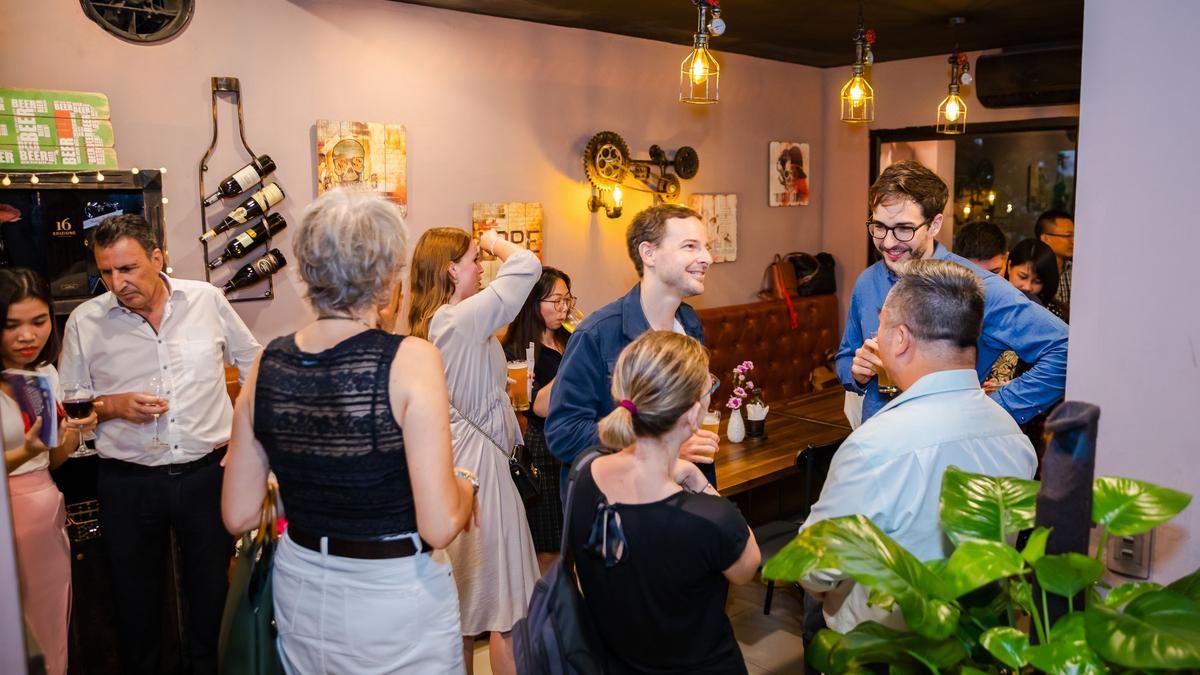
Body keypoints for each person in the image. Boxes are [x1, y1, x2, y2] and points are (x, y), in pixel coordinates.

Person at [222, 190, 477, 672]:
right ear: (386, 279)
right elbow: (440, 524)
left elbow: (239, 514)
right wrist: (467, 486)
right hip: (395, 593)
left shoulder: (267, 363)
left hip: (302, 587)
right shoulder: (412, 359)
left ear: (308, 272)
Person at [58, 214, 261, 674]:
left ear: (156, 257)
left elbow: (254, 362)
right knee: (135, 607)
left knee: (212, 600)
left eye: (127, 268)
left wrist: (245, 438)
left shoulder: (206, 300)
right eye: (107, 272)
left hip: (207, 475)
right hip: (128, 482)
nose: (118, 283)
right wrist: (112, 406)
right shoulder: (86, 321)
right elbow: (72, 406)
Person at [803, 260, 1038, 632]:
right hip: (973, 639)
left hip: (884, 647)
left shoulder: (873, 447)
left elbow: (814, 569)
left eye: (880, 325)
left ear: (900, 339)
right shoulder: (1014, 438)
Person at [567, 330, 760, 674]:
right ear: (692, 415)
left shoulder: (585, 477)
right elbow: (748, 567)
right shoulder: (710, 517)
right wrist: (700, 483)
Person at [836, 160, 1068, 425]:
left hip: (947, 440)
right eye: (879, 227)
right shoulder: (868, 282)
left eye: (904, 229)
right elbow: (845, 356)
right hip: (877, 438)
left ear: (934, 225)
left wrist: (995, 410)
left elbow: (1064, 349)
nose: (888, 242)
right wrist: (856, 374)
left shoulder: (978, 287)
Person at [408, 225, 541, 675]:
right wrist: (492, 240)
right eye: (473, 259)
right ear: (451, 270)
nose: (481, 267)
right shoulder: (457, 320)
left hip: (459, 464)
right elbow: (527, 265)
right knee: (508, 612)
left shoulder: (440, 323)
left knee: (463, 613)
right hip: (482, 472)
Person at [546, 204, 717, 501]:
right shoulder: (597, 334)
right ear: (648, 253)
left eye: (706, 247)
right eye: (690, 246)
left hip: (683, 499)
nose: (707, 258)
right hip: (622, 506)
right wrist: (661, 444)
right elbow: (564, 434)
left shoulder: (689, 322)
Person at [2, 268, 98, 675]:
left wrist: (76, 432)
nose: (28, 336)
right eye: (12, 325)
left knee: (48, 629)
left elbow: (52, 459)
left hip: (45, 515)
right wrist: (23, 451)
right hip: (8, 517)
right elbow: (28, 453)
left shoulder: (45, 374)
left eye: (39, 321)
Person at [501, 266, 573, 557]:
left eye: (567, 299)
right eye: (556, 301)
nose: (564, 308)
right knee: (550, 548)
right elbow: (540, 407)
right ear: (533, 302)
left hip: (575, 440)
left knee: (577, 539)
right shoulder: (516, 351)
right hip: (544, 448)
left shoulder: (568, 339)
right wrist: (575, 360)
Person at [1035, 209, 1074, 316]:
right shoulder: (1033, 270)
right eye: (1068, 236)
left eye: (1075, 236)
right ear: (1045, 238)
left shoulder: (1076, 271)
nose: (1073, 241)